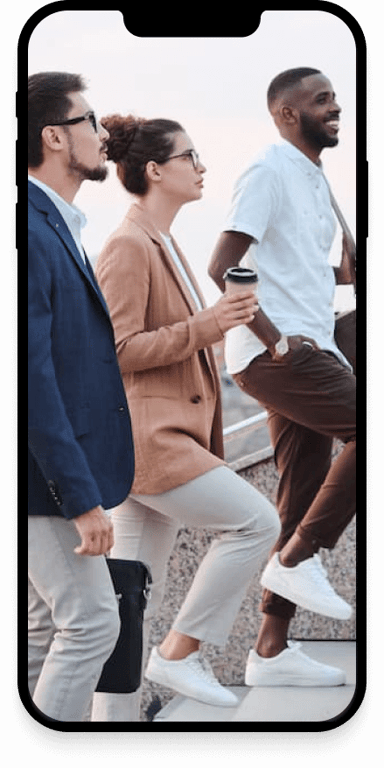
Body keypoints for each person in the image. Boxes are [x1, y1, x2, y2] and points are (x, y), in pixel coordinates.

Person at [90, 113, 281, 721]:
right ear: (155, 171)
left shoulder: (162, 243)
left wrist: (213, 330)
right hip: (152, 443)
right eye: (190, 157)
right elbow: (116, 352)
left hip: (155, 444)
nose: (202, 168)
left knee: (127, 602)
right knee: (257, 522)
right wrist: (210, 325)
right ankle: (180, 652)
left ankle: (110, 731)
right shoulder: (126, 245)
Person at [208, 67, 356, 688]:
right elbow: (223, 264)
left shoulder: (314, 179)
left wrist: (346, 269)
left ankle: (269, 649)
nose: (336, 107)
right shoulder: (269, 168)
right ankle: (296, 558)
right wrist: (274, 337)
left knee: (299, 491)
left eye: (335, 98)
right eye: (321, 100)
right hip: (279, 353)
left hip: (309, 342)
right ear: (286, 113)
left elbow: (315, 273)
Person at [28, 72, 135, 721]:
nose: (102, 134)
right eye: (89, 121)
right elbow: (31, 379)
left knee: (45, 631)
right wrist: (80, 498)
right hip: (46, 484)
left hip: (49, 479)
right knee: (93, 625)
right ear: (53, 136)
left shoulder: (56, 224)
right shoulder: (33, 230)